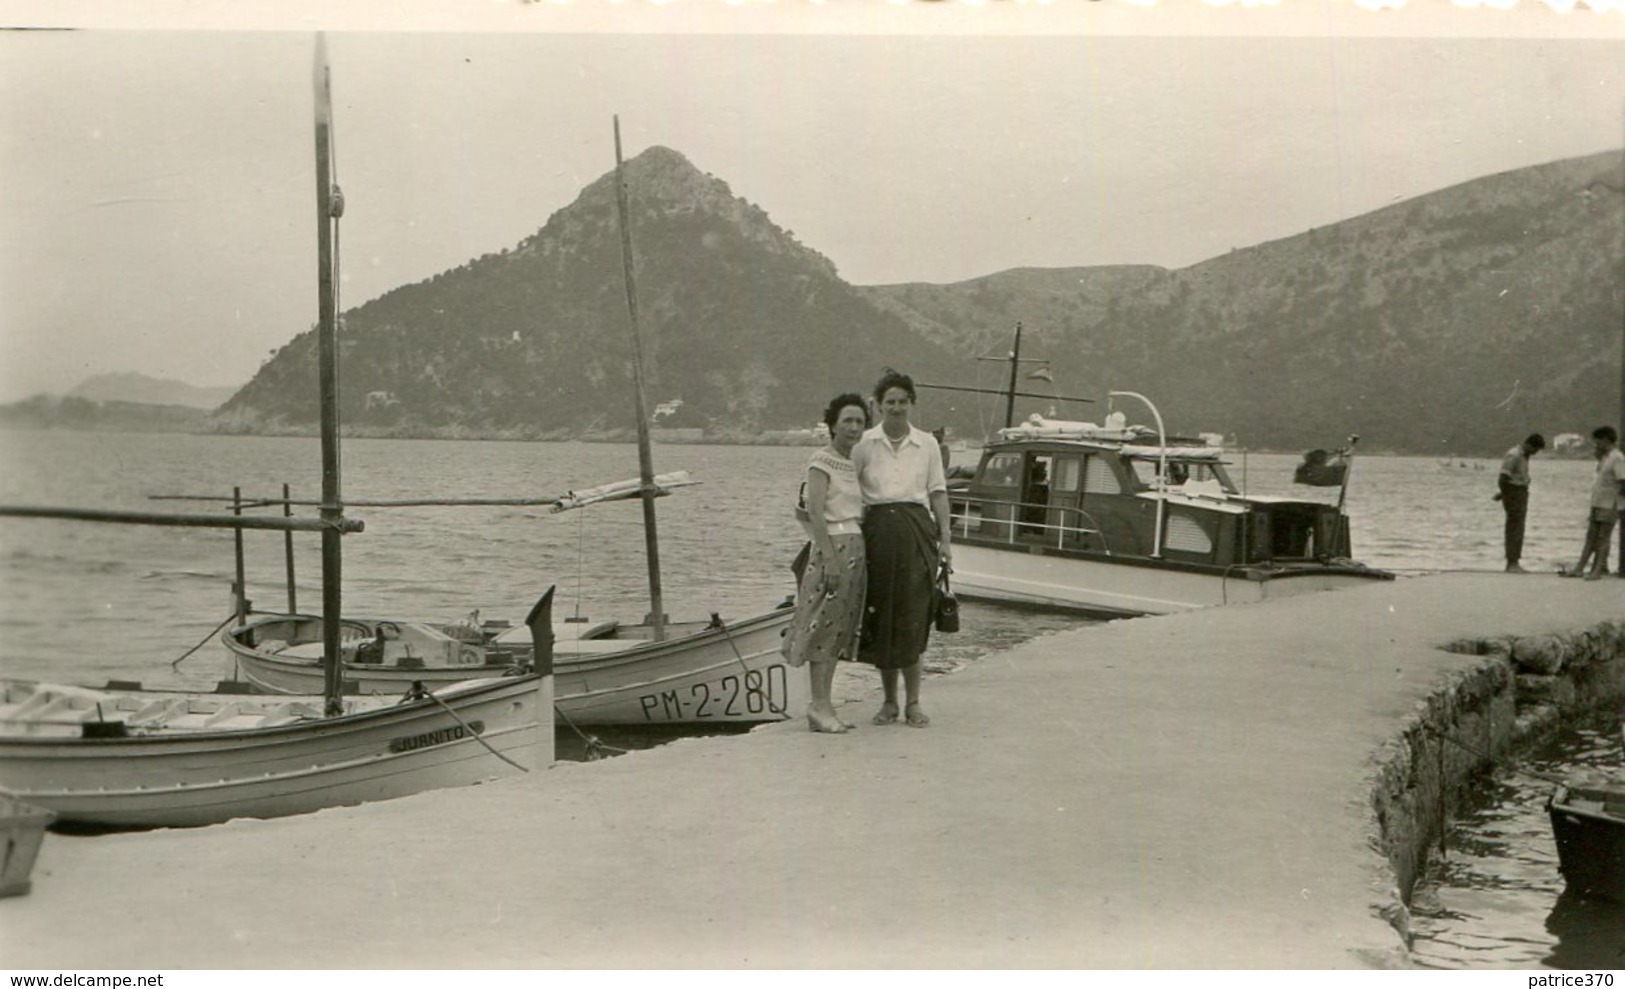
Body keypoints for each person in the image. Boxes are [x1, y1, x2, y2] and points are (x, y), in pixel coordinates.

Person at [851, 369, 952, 728]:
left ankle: (914, 703)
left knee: (912, 618)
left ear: (912, 404)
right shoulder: (864, 443)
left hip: (917, 533)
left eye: (902, 402)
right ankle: (889, 703)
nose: (896, 408)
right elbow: (849, 491)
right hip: (877, 533)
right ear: (878, 406)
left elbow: (938, 492)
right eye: (889, 402)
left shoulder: (927, 444)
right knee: (883, 617)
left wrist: (946, 541)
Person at [780, 393, 871, 733]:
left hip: (854, 547)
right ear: (832, 425)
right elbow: (814, 512)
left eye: (860, 422)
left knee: (838, 630)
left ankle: (825, 704)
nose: (853, 427)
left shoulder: (851, 463)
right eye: (847, 420)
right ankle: (817, 705)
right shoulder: (821, 461)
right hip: (832, 547)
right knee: (822, 626)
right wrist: (830, 559)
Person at [1562, 426, 1625, 580]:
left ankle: (1597, 570)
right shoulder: (1604, 458)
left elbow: (1622, 480)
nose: (1596, 445)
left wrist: (1618, 502)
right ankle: (1580, 568)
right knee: (1591, 536)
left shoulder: (1617, 458)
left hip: (1610, 503)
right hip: (1598, 502)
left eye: (1598, 442)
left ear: (1605, 440)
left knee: (1603, 537)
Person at [1495, 432, 1544, 573]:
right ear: (1529, 444)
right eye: (1535, 450)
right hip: (1514, 494)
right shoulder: (1515, 455)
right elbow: (1503, 478)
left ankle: (1514, 561)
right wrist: (1506, 495)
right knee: (1514, 528)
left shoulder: (1524, 456)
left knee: (1518, 528)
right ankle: (1512, 563)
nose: (1535, 453)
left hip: (1520, 492)